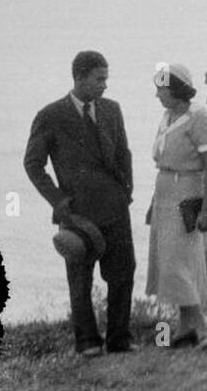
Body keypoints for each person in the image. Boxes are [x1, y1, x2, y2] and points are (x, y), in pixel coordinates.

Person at [24, 50, 136, 356]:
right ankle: (87, 342)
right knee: (80, 277)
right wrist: (59, 202)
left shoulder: (112, 110)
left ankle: (119, 340)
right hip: (76, 212)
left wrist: (127, 191)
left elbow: (123, 153)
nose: (104, 85)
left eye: (106, 79)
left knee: (123, 273)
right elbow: (33, 164)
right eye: (99, 79)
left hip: (115, 207)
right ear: (79, 78)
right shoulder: (50, 115)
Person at [147, 63, 207, 349]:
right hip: (164, 192)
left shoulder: (199, 118)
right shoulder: (167, 117)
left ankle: (203, 328)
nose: (157, 95)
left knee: (179, 263)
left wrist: (206, 209)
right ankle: (186, 326)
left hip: (186, 193)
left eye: (161, 89)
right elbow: (164, 161)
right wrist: (154, 202)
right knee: (168, 262)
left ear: (176, 89)